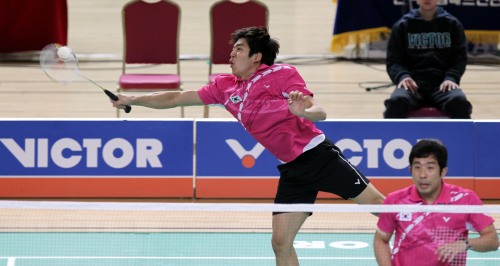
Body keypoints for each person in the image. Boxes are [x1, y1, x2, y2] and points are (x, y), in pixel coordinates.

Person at [111, 26, 385, 266]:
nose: (231, 54)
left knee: (381, 207)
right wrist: (132, 99)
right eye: (232, 49)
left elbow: (320, 111)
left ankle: (424, 232)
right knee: (280, 243)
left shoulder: (282, 74)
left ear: (257, 56)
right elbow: (176, 98)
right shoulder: (225, 87)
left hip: (319, 157)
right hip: (293, 170)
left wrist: (305, 113)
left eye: (239, 49)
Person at [374, 139, 499, 266]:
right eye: (417, 167)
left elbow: (493, 240)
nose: (422, 174)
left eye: (430, 167)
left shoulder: (465, 199)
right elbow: (381, 239)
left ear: (443, 171)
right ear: (410, 170)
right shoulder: (395, 200)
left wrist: (465, 243)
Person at [383, 0, 473, 119]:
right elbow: (394, 60)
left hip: (442, 85)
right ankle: (394, 136)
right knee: (396, 102)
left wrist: (451, 77)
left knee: (459, 102)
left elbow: (459, 59)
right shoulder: (403, 25)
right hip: (413, 85)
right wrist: (403, 76)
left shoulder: (452, 24)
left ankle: (460, 137)